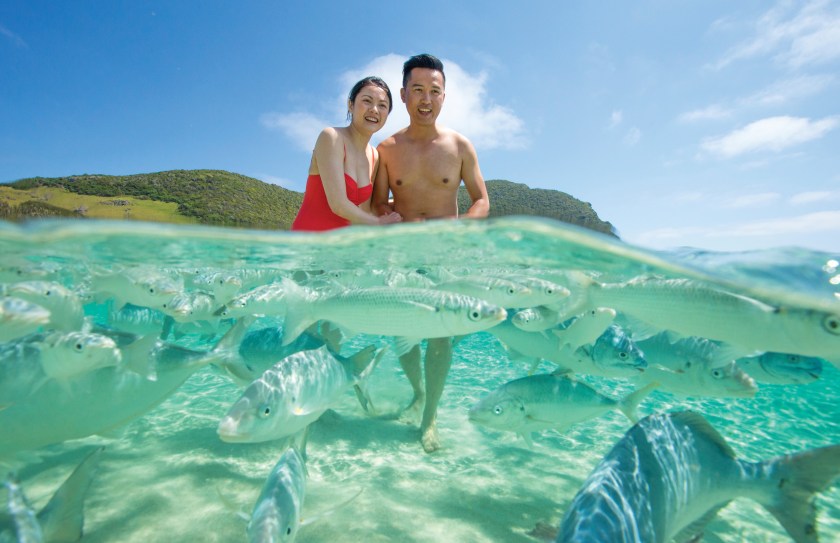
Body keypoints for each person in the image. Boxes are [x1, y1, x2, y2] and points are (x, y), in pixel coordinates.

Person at [372, 54, 490, 453]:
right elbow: (377, 204)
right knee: (401, 334)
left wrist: (458, 230)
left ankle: (430, 418)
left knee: (442, 339)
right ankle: (418, 392)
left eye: (434, 91)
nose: (426, 99)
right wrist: (391, 219)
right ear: (403, 95)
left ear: (445, 96)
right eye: (418, 90)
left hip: (444, 256)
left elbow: (481, 202)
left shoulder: (459, 146)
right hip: (402, 255)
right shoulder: (386, 148)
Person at [291, 76, 402, 231]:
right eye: (367, 101)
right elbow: (338, 204)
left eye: (382, 105)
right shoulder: (331, 137)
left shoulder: (374, 156)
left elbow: (364, 211)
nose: (374, 110)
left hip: (341, 248)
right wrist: (379, 223)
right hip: (307, 243)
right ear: (351, 105)